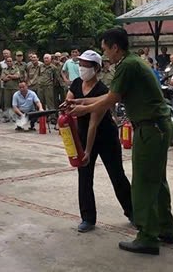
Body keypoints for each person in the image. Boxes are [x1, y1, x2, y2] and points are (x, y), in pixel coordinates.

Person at [66, 28, 173, 255]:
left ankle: (147, 236)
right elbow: (109, 96)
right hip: (157, 127)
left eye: (106, 49)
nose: (106, 54)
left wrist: (81, 109)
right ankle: (165, 228)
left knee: (143, 183)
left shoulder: (126, 65)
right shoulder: (133, 62)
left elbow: (110, 100)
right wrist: (80, 101)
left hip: (150, 128)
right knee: (157, 180)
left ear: (115, 47)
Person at [66, 50, 132, 232]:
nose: (82, 68)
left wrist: (87, 151)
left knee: (117, 175)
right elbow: (69, 102)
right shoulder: (77, 83)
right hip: (82, 134)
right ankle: (87, 218)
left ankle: (132, 212)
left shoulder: (103, 90)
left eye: (86, 65)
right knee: (85, 176)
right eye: (80, 64)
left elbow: (94, 124)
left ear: (96, 68)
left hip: (105, 137)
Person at [1, 56, 22, 122]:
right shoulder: (4, 69)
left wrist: (9, 76)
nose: (9, 62)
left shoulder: (16, 68)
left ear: (12, 62)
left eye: (10, 61)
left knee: (15, 104)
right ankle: (7, 117)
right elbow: (3, 78)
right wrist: (12, 76)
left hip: (15, 88)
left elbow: (17, 76)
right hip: (7, 89)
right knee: (7, 103)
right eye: (8, 61)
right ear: (6, 62)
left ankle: (15, 117)